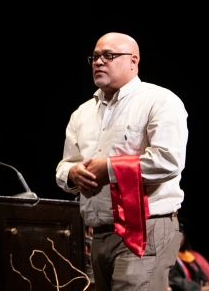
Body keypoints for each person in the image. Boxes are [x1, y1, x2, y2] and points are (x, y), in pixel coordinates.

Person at [56, 32, 188, 290]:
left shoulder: (159, 101)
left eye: (109, 55)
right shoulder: (82, 113)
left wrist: (109, 169)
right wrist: (73, 174)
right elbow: (65, 164)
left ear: (133, 61)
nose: (99, 62)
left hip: (145, 229)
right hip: (98, 235)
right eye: (94, 57)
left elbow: (169, 160)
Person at [169, 218, 209, 291]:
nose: (180, 238)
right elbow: (173, 280)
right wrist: (199, 289)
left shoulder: (188, 256)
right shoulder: (167, 258)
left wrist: (206, 284)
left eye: (182, 235)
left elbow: (201, 275)